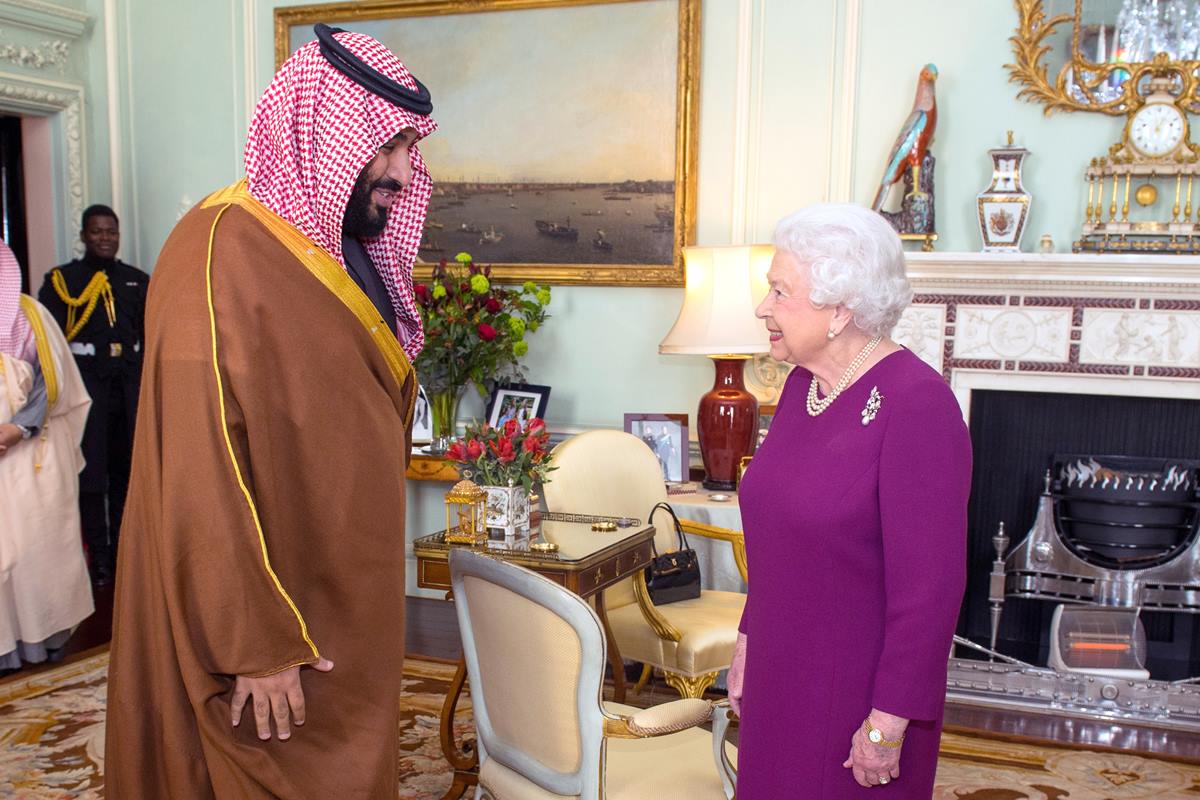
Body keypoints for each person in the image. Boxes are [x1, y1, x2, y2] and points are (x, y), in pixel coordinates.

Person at [104, 25, 437, 798]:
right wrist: (254, 640)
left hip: (339, 585)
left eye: (405, 149)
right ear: (327, 132)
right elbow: (198, 459)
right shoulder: (220, 248)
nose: (399, 171)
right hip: (271, 613)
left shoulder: (335, 244)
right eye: (385, 147)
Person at [728, 203, 971, 798]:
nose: (763, 308)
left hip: (858, 698)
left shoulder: (919, 406)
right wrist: (748, 640)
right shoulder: (801, 387)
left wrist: (889, 723)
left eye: (780, 292)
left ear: (840, 310)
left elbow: (931, 588)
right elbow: (778, 539)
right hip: (782, 674)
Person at [37, 205, 148, 586]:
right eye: (98, 231)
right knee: (92, 477)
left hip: (127, 389)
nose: (106, 238)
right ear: (84, 235)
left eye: (112, 231)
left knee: (126, 474)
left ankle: (123, 552)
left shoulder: (137, 280)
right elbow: (48, 344)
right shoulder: (62, 282)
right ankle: (99, 558)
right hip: (87, 390)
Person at [0, 241, 93, 672]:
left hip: (32, 455)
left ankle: (41, 647)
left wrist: (18, 428)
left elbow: (50, 383)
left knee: (35, 554)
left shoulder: (31, 315)